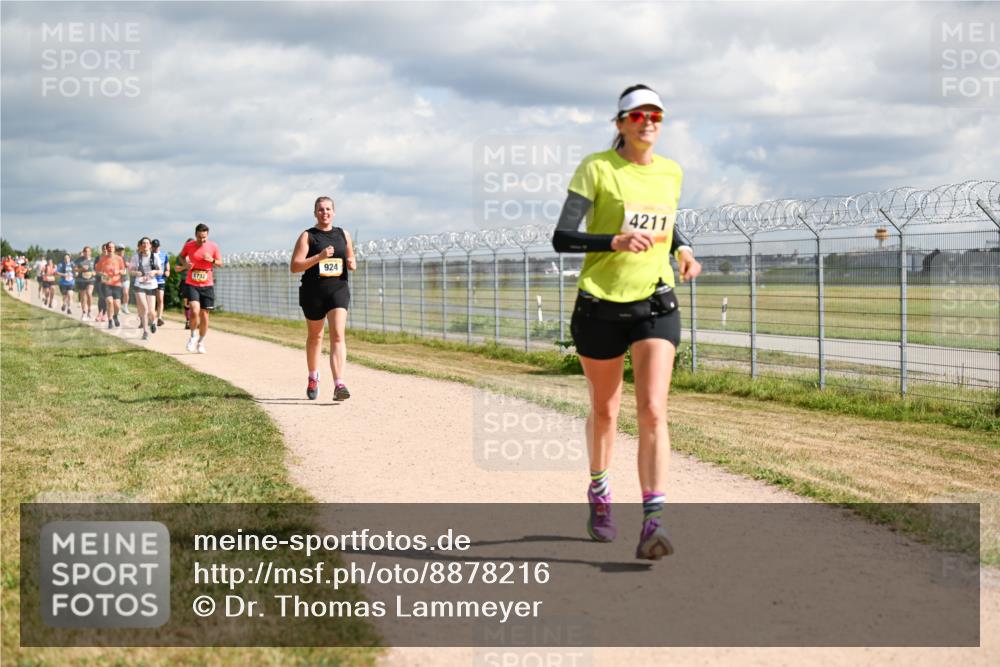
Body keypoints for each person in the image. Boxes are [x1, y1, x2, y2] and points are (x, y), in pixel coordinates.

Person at [552, 84, 701, 560]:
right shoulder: (597, 168)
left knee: (653, 409)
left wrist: (683, 249)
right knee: (606, 410)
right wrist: (612, 242)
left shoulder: (671, 171)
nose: (648, 122)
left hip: (655, 301)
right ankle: (599, 490)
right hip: (600, 304)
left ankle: (653, 521)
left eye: (655, 115)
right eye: (638, 115)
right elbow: (562, 237)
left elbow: (663, 220)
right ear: (620, 123)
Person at [290, 196, 356, 401]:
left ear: (333, 212)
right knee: (316, 336)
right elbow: (295, 266)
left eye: (328, 209)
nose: (324, 213)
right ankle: (313, 377)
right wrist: (319, 257)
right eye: (320, 209)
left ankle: (339, 384)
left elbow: (350, 256)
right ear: (315, 213)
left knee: (338, 335)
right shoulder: (308, 236)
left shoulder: (343, 234)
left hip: (338, 289)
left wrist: (352, 262)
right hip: (313, 292)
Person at [179, 224, 222, 353]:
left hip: (207, 284)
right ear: (195, 235)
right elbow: (181, 256)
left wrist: (212, 260)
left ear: (207, 235)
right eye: (199, 237)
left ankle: (201, 342)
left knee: (204, 315)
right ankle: (193, 336)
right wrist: (185, 264)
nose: (202, 240)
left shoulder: (213, 246)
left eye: (204, 237)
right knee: (194, 310)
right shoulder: (189, 245)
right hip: (192, 283)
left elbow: (220, 263)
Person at [129, 237, 162, 340]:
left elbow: (160, 271)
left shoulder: (155, 256)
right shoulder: (136, 257)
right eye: (143, 243)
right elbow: (130, 271)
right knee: (144, 308)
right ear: (141, 245)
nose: (145, 244)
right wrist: (136, 273)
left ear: (150, 245)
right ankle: (145, 332)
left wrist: (154, 272)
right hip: (139, 284)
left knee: (151, 311)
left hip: (151, 285)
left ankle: (153, 322)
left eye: (147, 243)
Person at [96, 241, 126, 329]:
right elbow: (97, 271)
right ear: (107, 248)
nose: (110, 249)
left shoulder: (119, 259)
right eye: (108, 247)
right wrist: (102, 274)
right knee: (109, 302)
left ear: (114, 249)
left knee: (117, 305)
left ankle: (115, 316)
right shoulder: (102, 259)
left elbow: (124, 271)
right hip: (106, 283)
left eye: (112, 247)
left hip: (117, 284)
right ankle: (109, 321)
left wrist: (118, 271)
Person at [73, 246, 96, 320]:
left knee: (89, 294)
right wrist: (81, 269)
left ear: (90, 252)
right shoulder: (79, 260)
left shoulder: (93, 260)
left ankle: (89, 311)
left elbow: (98, 268)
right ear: (83, 252)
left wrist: (95, 272)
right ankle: (84, 313)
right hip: (81, 280)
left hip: (91, 280)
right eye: (85, 251)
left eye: (88, 251)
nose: (87, 253)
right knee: (83, 297)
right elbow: (74, 269)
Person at [151, 239, 170, 326]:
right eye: (154, 246)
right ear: (151, 246)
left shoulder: (164, 255)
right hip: (150, 281)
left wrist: (167, 271)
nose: (156, 248)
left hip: (160, 280)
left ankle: (159, 318)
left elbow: (167, 265)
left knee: (160, 299)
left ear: (159, 246)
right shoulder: (148, 255)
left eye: (157, 246)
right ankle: (151, 317)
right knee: (151, 301)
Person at [176, 238, 193, 329]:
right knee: (186, 302)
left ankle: (195, 320)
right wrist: (186, 266)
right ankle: (188, 321)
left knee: (196, 301)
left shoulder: (197, 254)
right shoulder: (181, 256)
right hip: (185, 280)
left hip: (196, 280)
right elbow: (176, 269)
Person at [94, 243, 108, 323]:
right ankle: (99, 313)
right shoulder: (98, 258)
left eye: (107, 249)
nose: (105, 250)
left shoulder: (111, 258)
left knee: (105, 297)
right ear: (102, 250)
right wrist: (101, 273)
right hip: (99, 279)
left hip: (108, 280)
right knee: (101, 297)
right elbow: (95, 269)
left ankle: (104, 314)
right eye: (104, 249)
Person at [116, 244, 131, 314]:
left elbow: (129, 265)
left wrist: (127, 264)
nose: (121, 251)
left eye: (122, 249)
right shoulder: (115, 258)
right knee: (118, 294)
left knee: (126, 293)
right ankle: (118, 308)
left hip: (126, 277)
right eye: (119, 249)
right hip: (117, 278)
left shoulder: (127, 257)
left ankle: (125, 307)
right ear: (117, 250)